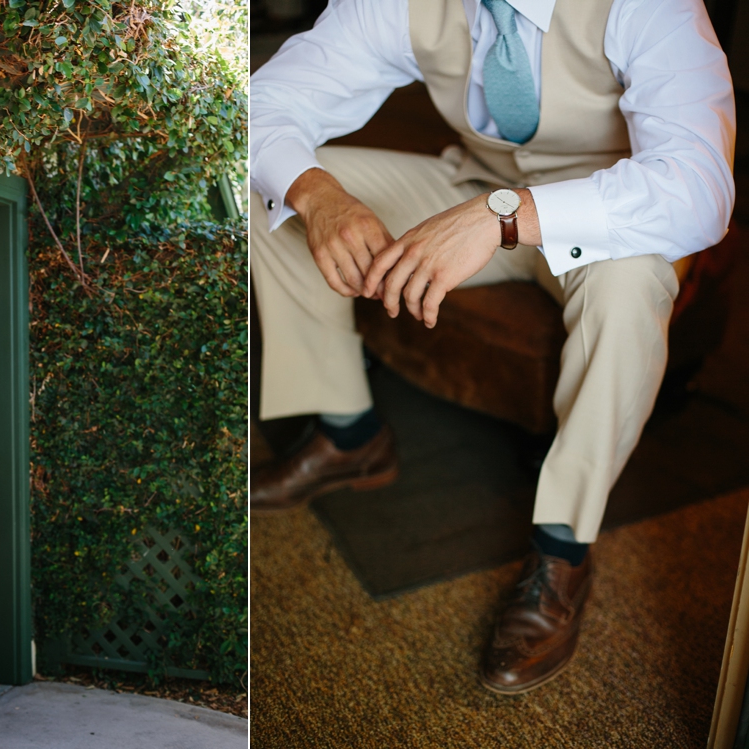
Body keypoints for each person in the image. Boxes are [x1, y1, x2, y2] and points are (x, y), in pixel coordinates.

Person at [249, 0, 735, 693]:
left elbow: (700, 187)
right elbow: (266, 103)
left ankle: (563, 551)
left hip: (603, 214)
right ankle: (348, 431)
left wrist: (504, 217)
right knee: (276, 181)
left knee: (631, 291)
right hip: (471, 184)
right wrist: (316, 192)